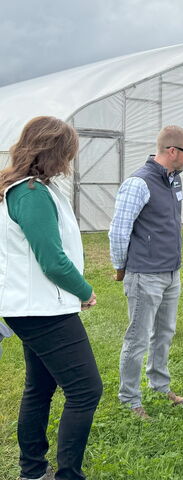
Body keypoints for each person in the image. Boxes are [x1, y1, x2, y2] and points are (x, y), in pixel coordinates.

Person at [0, 116, 101, 480]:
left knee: (40, 386)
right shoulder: (31, 194)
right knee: (86, 390)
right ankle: (67, 475)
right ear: (54, 152)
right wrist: (85, 291)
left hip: (32, 307)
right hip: (41, 309)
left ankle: (32, 471)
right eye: (68, 153)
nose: (70, 161)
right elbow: (52, 260)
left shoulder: (28, 188)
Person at [109, 125, 183, 419]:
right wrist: (121, 266)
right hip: (145, 274)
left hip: (171, 272)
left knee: (165, 333)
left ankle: (160, 385)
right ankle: (130, 398)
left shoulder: (174, 181)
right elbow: (119, 230)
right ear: (172, 151)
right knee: (138, 337)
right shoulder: (139, 183)